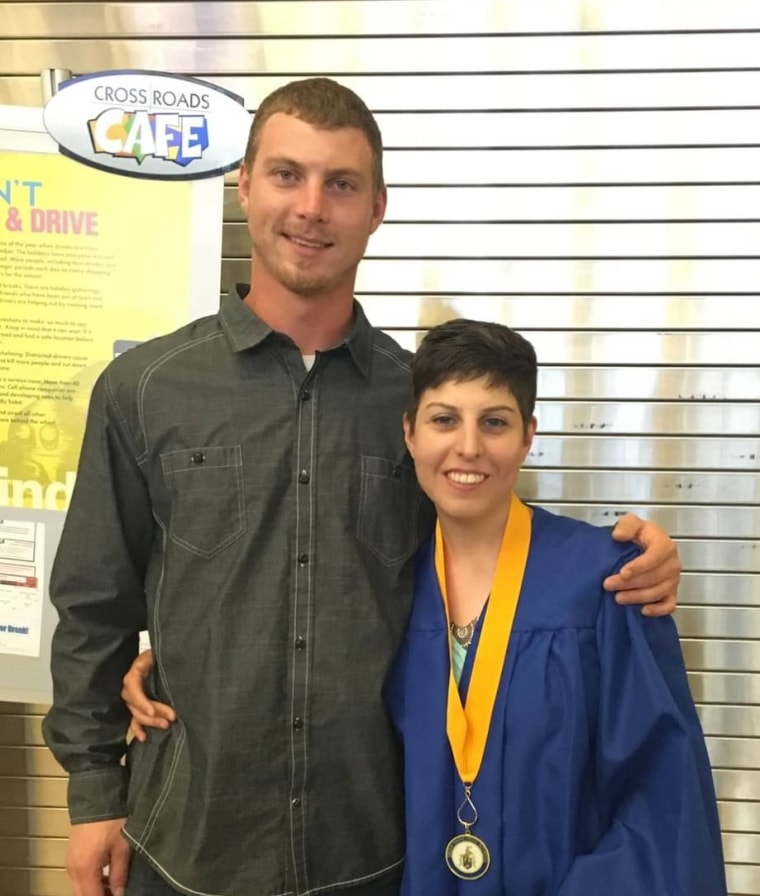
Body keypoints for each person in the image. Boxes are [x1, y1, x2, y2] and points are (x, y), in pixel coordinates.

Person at [42, 77, 681, 896]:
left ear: (376, 207)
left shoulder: (416, 401)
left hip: (379, 849)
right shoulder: (145, 388)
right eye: (287, 175)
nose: (311, 207)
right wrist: (94, 792)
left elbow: (486, 541)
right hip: (190, 842)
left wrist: (629, 561)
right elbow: (94, 606)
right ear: (244, 186)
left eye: (340, 184)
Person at [384, 318, 726, 895]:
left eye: (494, 422)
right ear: (411, 433)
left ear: (527, 435)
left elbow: (661, 801)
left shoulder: (605, 582)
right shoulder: (385, 587)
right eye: (445, 419)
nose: (468, 446)